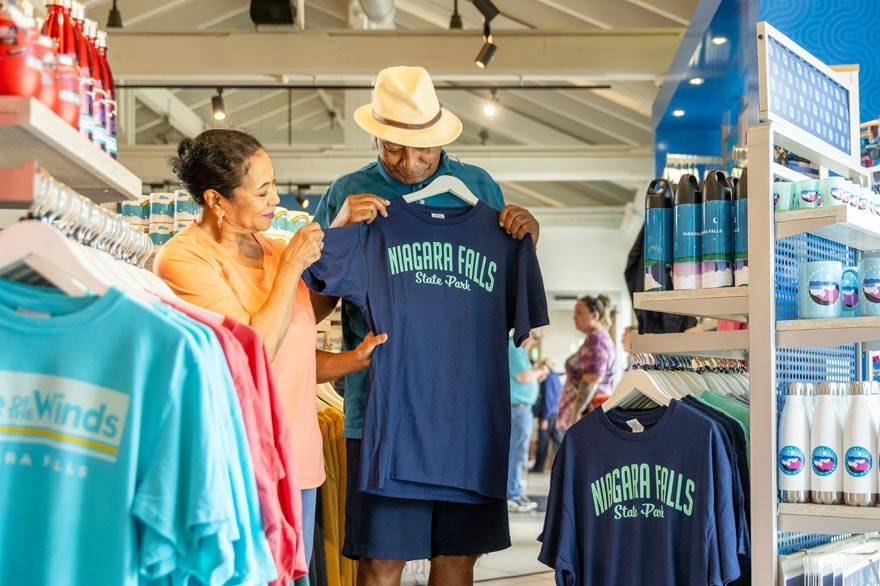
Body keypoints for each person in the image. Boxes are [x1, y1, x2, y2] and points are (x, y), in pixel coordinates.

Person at [311, 66, 542, 586]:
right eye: (394, 149)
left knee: (457, 560)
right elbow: (312, 308)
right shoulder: (348, 191)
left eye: (424, 150)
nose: (411, 163)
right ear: (376, 135)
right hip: (381, 413)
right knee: (379, 561)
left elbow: (504, 291)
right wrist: (341, 233)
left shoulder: (478, 187)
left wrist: (525, 243)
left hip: (468, 414)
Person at [153, 129, 388, 579]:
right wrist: (295, 265)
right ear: (216, 200)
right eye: (261, 191)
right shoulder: (183, 261)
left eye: (274, 184)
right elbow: (253, 349)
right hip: (239, 466)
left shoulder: (274, 250)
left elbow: (294, 346)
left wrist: (355, 360)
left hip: (299, 463)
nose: (275, 199)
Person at [556, 294, 616, 431]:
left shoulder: (596, 340)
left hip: (587, 415)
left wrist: (576, 414)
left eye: (579, 313)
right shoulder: (596, 338)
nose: (574, 317)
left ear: (594, 315)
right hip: (589, 414)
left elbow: (592, 379)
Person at [507, 331, 545, 514]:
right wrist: (540, 371)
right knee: (516, 453)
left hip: (521, 409)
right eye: (534, 337)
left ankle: (514, 491)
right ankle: (511, 495)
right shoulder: (512, 348)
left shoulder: (519, 351)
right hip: (517, 408)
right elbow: (523, 376)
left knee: (518, 453)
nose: (533, 342)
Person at [531, 360, 563, 474]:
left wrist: (544, 418)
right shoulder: (555, 378)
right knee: (558, 441)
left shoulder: (548, 379)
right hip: (555, 414)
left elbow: (547, 400)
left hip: (548, 415)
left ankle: (539, 468)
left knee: (543, 442)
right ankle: (563, 466)